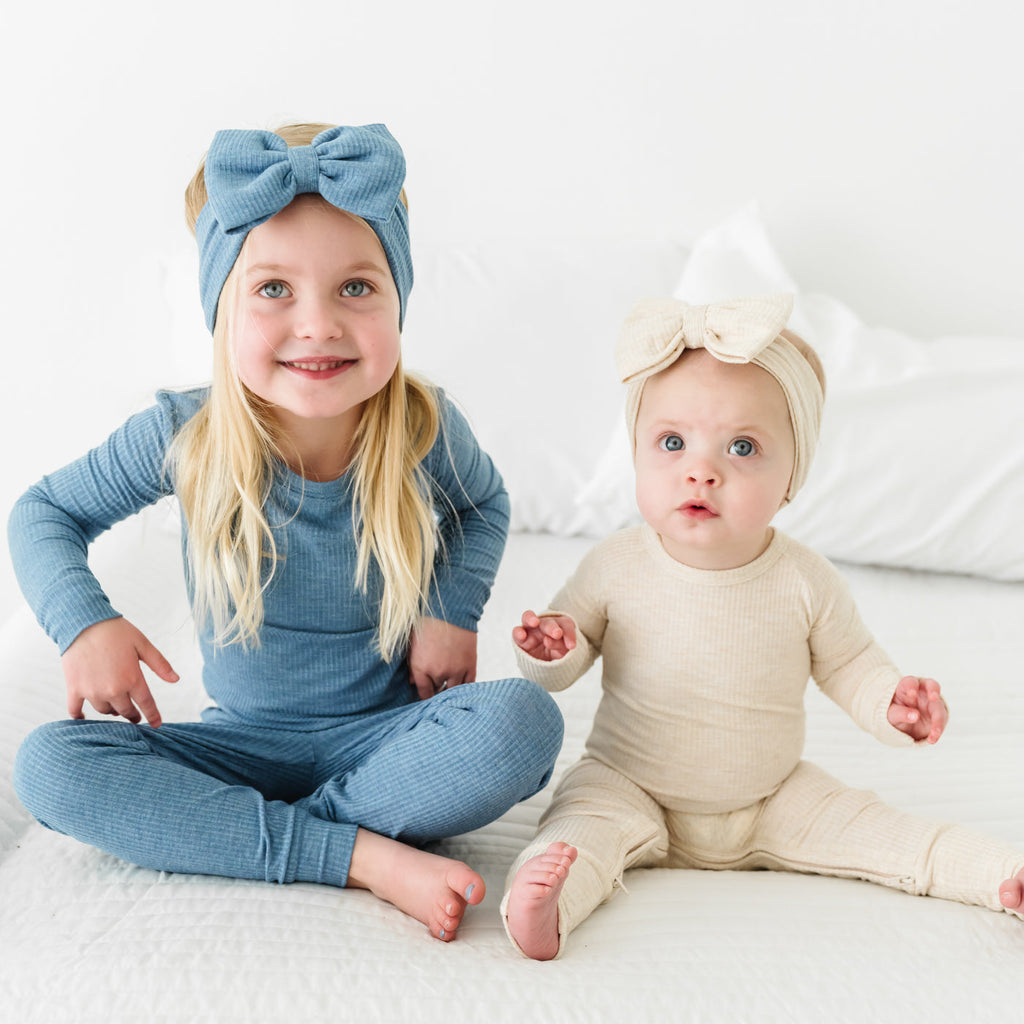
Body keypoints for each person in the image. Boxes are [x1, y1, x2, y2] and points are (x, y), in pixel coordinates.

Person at [10, 121, 563, 943]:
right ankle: (360, 853)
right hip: (240, 744)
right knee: (49, 767)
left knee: (526, 721)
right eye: (274, 290)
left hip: (386, 739)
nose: (318, 324)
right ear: (221, 306)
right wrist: (83, 622)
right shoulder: (184, 434)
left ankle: (266, 833)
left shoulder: (423, 427)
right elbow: (43, 512)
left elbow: (482, 507)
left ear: (398, 298)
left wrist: (452, 609)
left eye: (356, 288)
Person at [501, 293, 1024, 959]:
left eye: (742, 447)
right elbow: (563, 658)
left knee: (884, 830)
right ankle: (542, 905)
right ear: (636, 455)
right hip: (629, 782)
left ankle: (1000, 874)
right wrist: (552, 648)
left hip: (771, 796)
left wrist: (890, 703)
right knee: (577, 833)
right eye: (671, 442)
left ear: (789, 481)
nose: (701, 468)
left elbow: (849, 664)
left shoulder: (802, 578)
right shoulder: (617, 564)